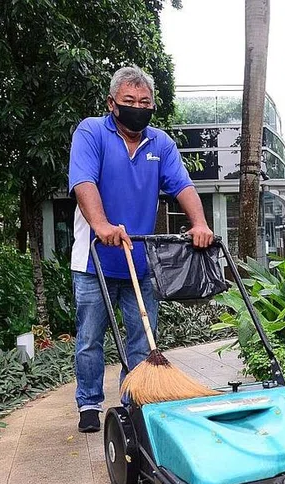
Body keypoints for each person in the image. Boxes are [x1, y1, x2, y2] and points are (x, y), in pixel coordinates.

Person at [68, 65, 213, 433]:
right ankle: (88, 403)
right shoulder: (91, 132)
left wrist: (199, 223)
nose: (138, 107)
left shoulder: (159, 143)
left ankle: (133, 402)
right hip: (94, 259)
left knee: (142, 339)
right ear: (112, 104)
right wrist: (100, 225)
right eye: (129, 101)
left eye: (145, 102)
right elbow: (83, 181)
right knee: (89, 339)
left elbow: (182, 186)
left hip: (139, 260)